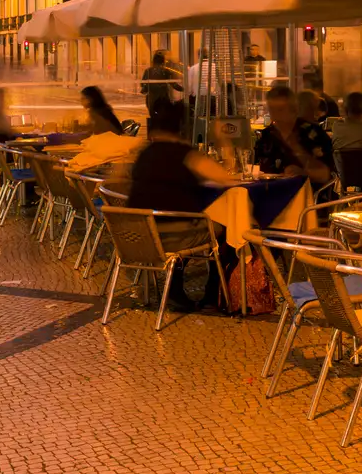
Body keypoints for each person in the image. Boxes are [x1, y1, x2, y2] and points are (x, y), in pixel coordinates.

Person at [126, 97, 247, 309]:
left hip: (138, 234)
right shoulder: (185, 156)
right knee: (226, 228)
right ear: (182, 129)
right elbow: (227, 178)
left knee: (195, 225)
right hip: (171, 236)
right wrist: (223, 142)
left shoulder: (144, 154)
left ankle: (176, 285)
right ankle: (213, 292)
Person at [253, 84, 334, 187]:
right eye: (271, 110)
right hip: (270, 196)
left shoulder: (313, 133)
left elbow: (326, 175)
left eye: (280, 110)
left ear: (294, 110)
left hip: (309, 197)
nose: (275, 115)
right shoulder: (266, 136)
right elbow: (255, 169)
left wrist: (304, 172)